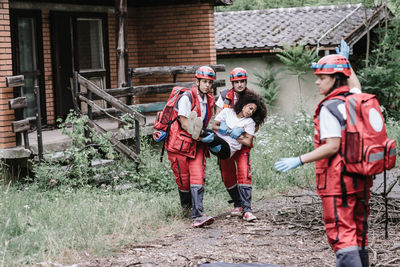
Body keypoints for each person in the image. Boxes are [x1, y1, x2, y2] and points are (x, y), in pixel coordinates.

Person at [274, 41, 371, 267]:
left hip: (338, 182)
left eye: (322, 78)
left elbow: (332, 146)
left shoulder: (329, 107)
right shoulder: (355, 99)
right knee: (358, 232)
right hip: (360, 178)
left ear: (336, 79)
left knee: (341, 234)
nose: (317, 82)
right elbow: (356, 84)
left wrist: (299, 160)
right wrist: (346, 63)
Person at [166, 66, 216, 228]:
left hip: (198, 144)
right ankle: (186, 209)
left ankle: (198, 214)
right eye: (204, 82)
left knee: (198, 176)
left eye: (210, 82)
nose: (207, 85)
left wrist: (208, 136)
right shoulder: (187, 98)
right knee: (183, 180)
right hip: (180, 144)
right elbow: (184, 122)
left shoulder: (209, 100)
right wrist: (200, 134)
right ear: (197, 81)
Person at [214, 67, 260, 222]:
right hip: (226, 141)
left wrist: (243, 132)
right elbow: (217, 119)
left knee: (244, 172)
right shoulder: (224, 96)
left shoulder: (252, 97)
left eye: (242, 81)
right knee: (227, 173)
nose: (240, 84)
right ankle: (238, 203)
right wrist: (224, 131)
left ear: (246, 82)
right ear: (232, 82)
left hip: (242, 142)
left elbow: (257, 121)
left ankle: (247, 209)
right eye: (236, 82)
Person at [197, 91, 266, 161]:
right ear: (244, 105)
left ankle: (201, 138)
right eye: (250, 108)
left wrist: (231, 133)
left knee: (213, 137)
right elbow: (214, 126)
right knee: (207, 131)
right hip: (216, 144)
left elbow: (248, 142)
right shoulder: (227, 112)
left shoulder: (249, 122)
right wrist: (230, 132)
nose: (251, 112)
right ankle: (196, 130)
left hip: (227, 149)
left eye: (253, 112)